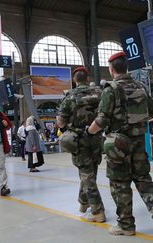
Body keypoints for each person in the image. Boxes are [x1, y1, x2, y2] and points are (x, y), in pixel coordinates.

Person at [87, 52, 153, 237]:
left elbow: (101, 120)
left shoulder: (111, 89)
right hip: (139, 142)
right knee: (143, 179)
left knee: (119, 183)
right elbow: (151, 113)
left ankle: (126, 225)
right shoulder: (140, 86)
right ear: (127, 68)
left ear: (111, 68)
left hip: (118, 145)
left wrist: (89, 131)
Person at [57, 66, 105, 222]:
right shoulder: (100, 93)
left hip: (79, 140)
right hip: (97, 138)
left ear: (74, 80)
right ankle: (83, 202)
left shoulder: (70, 97)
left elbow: (61, 121)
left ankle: (97, 211)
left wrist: (65, 126)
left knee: (86, 174)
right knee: (91, 172)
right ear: (88, 79)